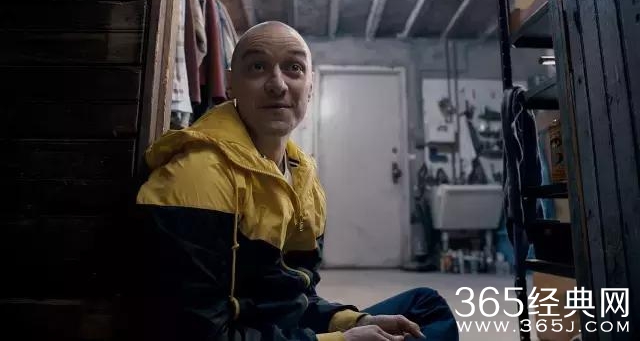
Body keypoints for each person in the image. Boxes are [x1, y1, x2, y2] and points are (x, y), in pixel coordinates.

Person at [135, 22, 459, 341]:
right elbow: (195, 333)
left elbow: (294, 298)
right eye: (258, 67)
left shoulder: (301, 175)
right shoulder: (196, 176)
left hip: (276, 331)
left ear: (310, 85)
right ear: (230, 84)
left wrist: (353, 321)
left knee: (425, 306)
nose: (277, 85)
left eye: (294, 68)